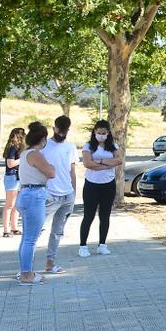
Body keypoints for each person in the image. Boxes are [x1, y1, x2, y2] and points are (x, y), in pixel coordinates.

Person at [16, 122, 56, 285]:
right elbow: (51, 172)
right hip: (35, 195)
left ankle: (25, 271)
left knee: (26, 238)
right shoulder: (35, 155)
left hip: (26, 194)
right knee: (31, 239)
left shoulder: (26, 153)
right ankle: (26, 275)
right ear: (43, 139)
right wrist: (51, 165)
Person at [79, 119, 123, 257]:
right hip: (91, 185)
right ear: (95, 132)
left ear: (108, 133)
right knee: (89, 216)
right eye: (99, 133)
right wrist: (108, 164)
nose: (101, 135)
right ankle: (83, 246)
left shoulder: (113, 146)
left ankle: (102, 244)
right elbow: (87, 163)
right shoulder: (88, 146)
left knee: (105, 216)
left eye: (104, 133)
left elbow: (119, 160)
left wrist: (100, 161)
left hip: (108, 185)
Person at [41, 115, 78, 273]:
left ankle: (50, 262)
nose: (61, 133)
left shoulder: (71, 147)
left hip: (67, 195)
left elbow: (73, 171)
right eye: (59, 130)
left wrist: (74, 193)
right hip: (50, 195)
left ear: (68, 130)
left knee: (58, 232)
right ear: (53, 127)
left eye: (64, 131)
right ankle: (25, 266)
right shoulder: (44, 146)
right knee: (38, 228)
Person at [1, 127, 25, 237]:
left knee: (17, 205)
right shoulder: (13, 148)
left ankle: (14, 228)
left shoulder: (19, 147)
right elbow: (10, 164)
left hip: (18, 177)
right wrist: (22, 159)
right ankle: (6, 230)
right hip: (12, 177)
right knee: (10, 205)